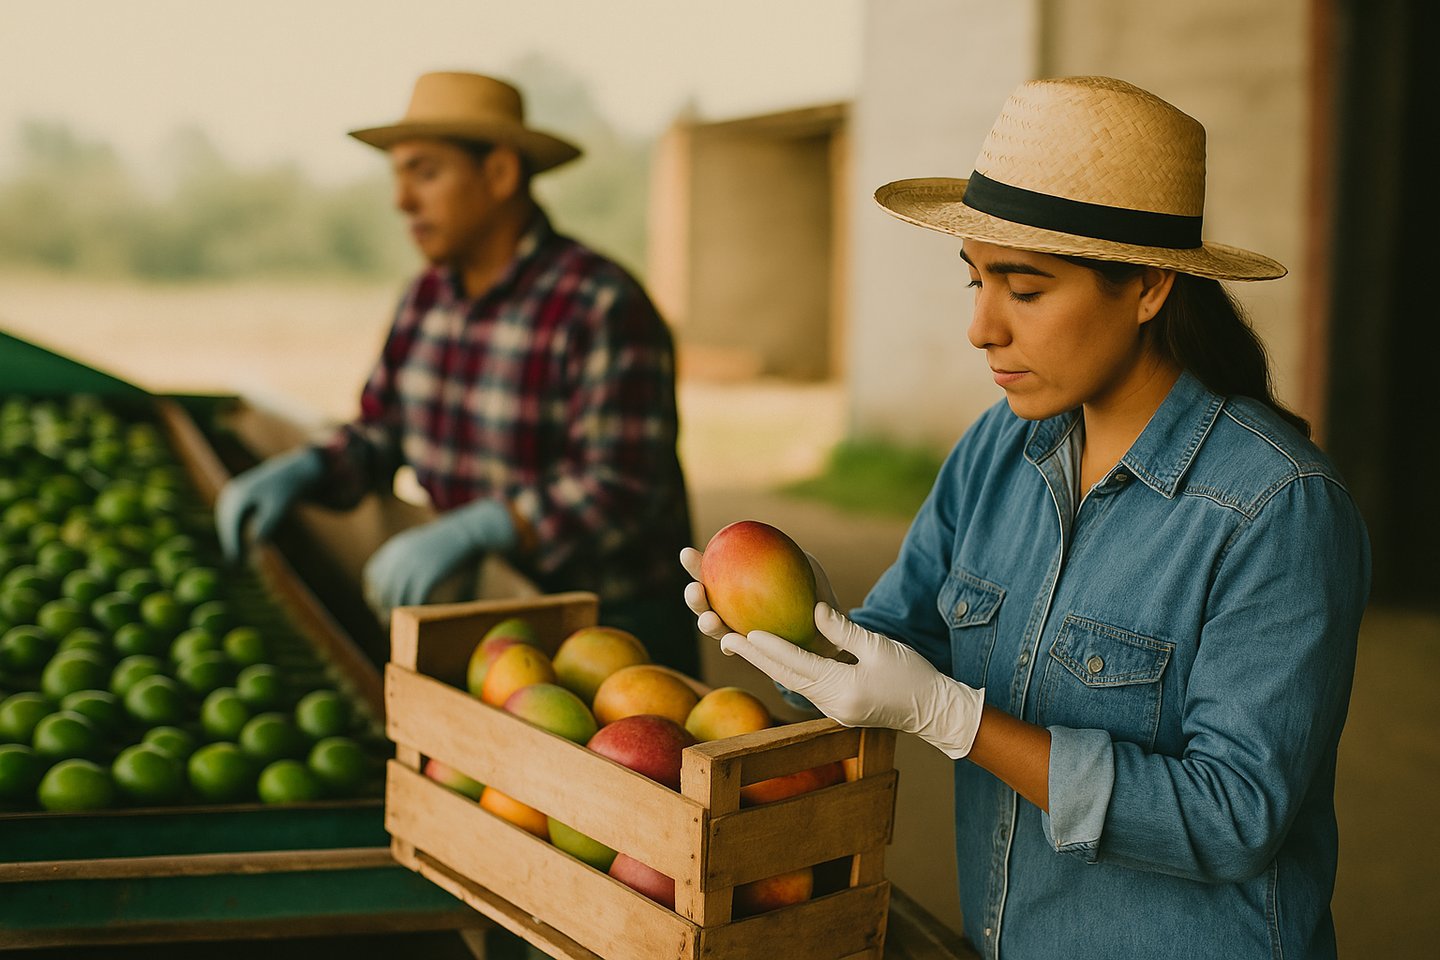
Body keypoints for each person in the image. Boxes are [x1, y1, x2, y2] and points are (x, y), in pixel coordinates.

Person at [681, 76, 1369, 959]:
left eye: (1026, 289)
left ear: (1151, 287)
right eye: (975, 280)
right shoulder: (997, 453)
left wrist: (956, 721)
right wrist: (804, 633)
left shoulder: (1277, 509)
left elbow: (1233, 817)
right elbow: (894, 645)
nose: (980, 327)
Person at [217, 71, 698, 675]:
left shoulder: (600, 303)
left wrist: (489, 525)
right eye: (397, 176)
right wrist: (308, 467)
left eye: (425, 172)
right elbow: (380, 430)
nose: (402, 201)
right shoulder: (425, 300)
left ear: (499, 174)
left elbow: (623, 489)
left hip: (612, 634)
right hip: (491, 621)